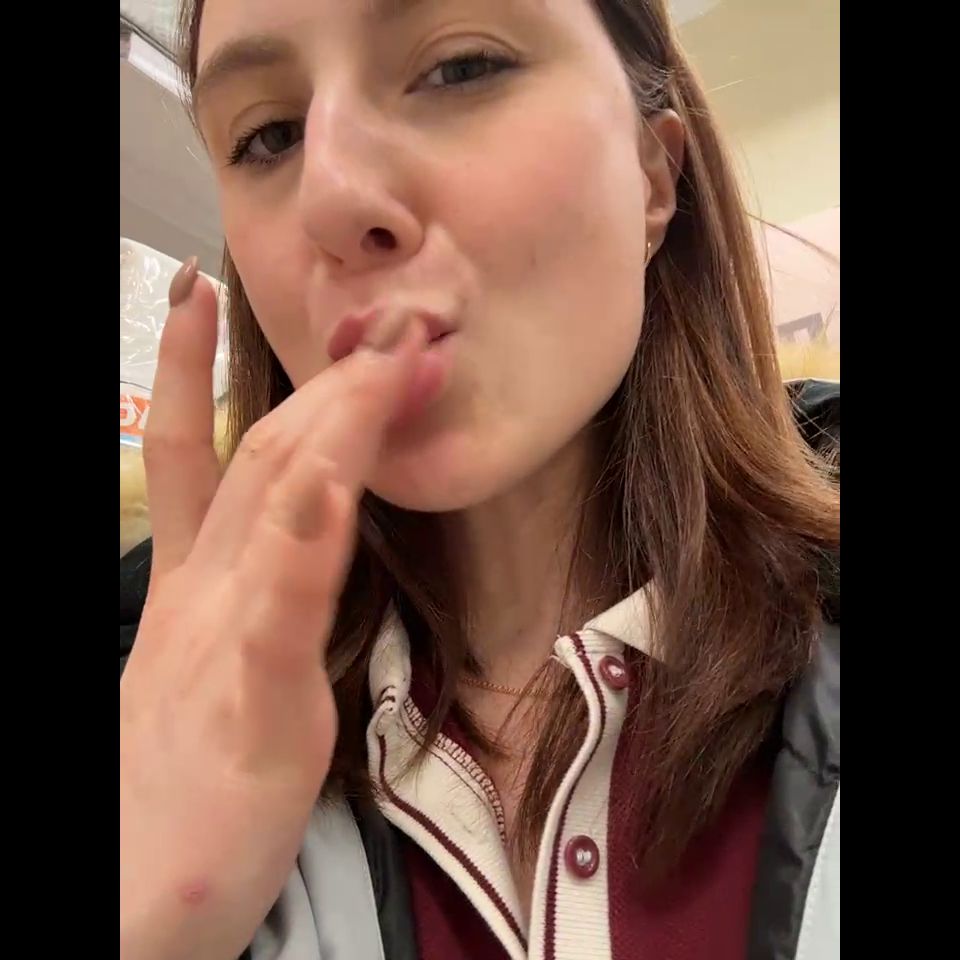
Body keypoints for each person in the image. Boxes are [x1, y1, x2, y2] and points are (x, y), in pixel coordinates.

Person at [119, 1, 840, 958]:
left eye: (460, 67)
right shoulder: (157, 715)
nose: (331, 200)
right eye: (270, 136)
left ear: (653, 174)